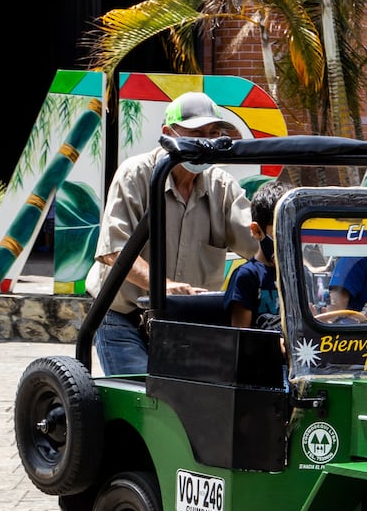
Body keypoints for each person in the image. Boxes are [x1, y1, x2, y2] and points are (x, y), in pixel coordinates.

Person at [86, 91, 255, 374]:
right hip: (124, 314)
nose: (207, 142)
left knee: (192, 398)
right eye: (196, 133)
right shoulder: (136, 174)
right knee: (141, 397)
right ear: (168, 133)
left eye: (214, 133)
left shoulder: (222, 186)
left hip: (187, 320)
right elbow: (114, 251)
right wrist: (162, 286)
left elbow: (255, 241)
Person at [225, 179, 292, 329]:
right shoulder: (247, 276)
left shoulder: (300, 275)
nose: (286, 239)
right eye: (279, 231)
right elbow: (241, 337)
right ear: (256, 231)